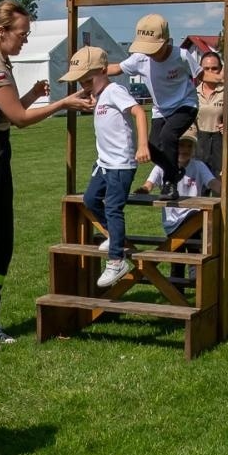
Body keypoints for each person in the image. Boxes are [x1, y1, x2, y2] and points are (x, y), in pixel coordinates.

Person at [0, 0, 95, 352]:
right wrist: (62, 103)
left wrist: (33, 95)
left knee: (0, 244)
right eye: (22, 34)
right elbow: (22, 119)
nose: (25, 40)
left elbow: (11, 113)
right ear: (1, 31)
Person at [68, 46, 149, 289]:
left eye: (88, 79)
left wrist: (142, 145)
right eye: (81, 81)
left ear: (104, 71)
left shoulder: (115, 90)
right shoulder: (101, 95)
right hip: (104, 163)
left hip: (121, 164)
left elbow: (139, 112)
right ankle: (115, 236)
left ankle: (116, 259)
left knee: (114, 208)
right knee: (91, 200)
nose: (85, 84)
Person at [107, 14, 200, 200]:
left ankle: (169, 183)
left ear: (167, 41)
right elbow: (115, 69)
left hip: (185, 104)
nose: (150, 54)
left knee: (168, 136)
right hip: (160, 109)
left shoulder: (181, 56)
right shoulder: (139, 59)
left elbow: (201, 74)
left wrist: (222, 78)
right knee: (151, 146)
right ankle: (174, 171)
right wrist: (91, 70)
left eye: (154, 49)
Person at [142, 131, 220, 279]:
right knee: (176, 260)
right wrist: (144, 189)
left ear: (193, 149)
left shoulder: (198, 166)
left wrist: (224, 189)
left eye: (189, 146)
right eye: (180, 145)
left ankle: (195, 278)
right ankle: (178, 292)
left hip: (194, 218)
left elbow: (212, 182)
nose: (184, 150)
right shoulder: (162, 166)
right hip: (172, 221)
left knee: (195, 249)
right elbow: (149, 183)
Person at [192, 51, 228, 171]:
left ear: (221, 69)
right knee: (199, 189)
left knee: (223, 187)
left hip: (222, 144)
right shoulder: (192, 93)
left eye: (214, 68)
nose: (210, 72)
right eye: (206, 68)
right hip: (199, 144)